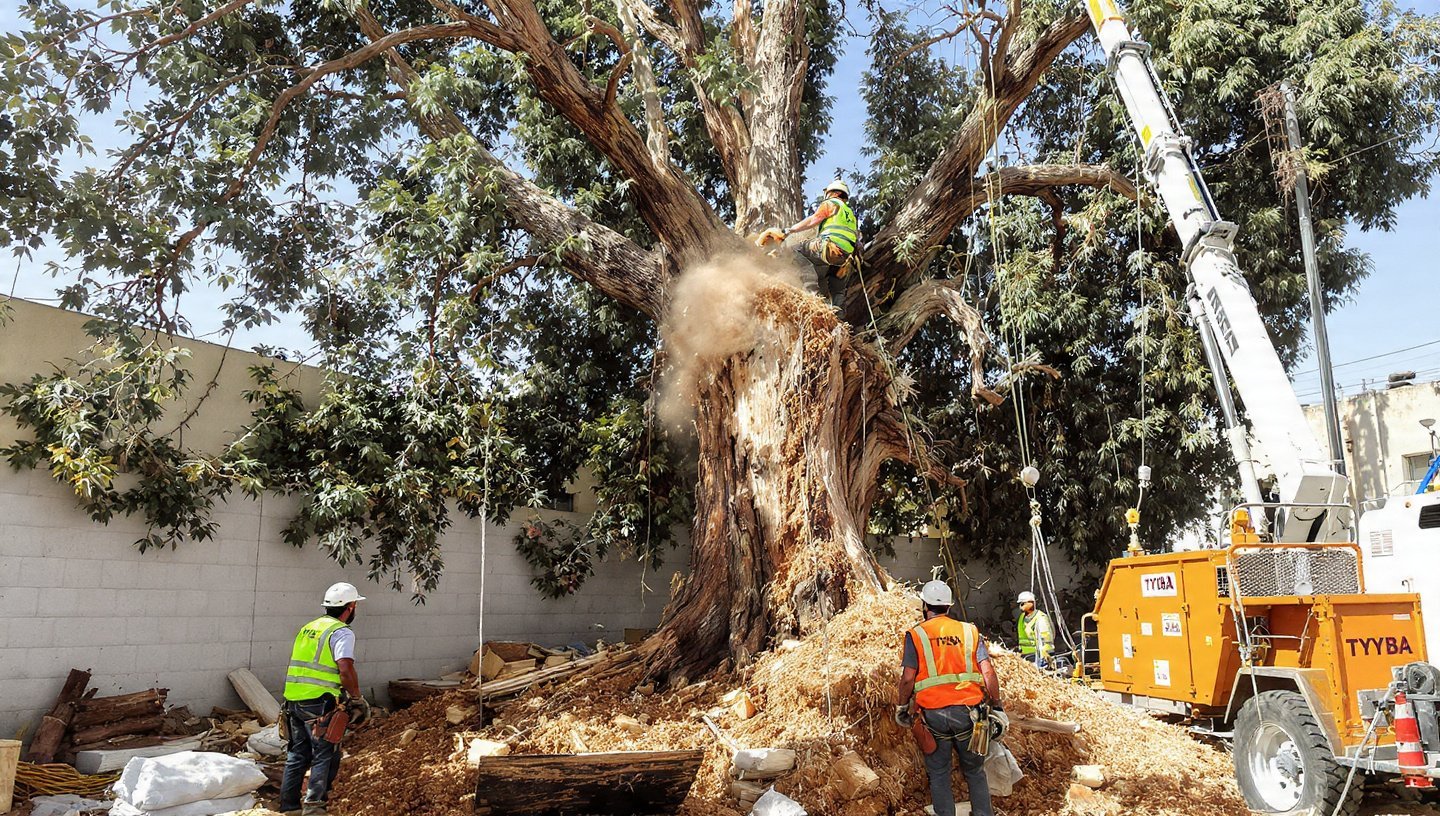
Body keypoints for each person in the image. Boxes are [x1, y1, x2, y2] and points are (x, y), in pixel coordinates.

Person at [895, 580, 1006, 816]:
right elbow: (988, 673)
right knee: (975, 772)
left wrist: (902, 707)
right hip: (973, 714)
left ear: (925, 606)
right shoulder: (970, 631)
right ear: (948, 605)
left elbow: (907, 678)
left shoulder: (917, 634)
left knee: (939, 772)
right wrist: (997, 705)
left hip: (933, 715)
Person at [279, 582, 371, 816]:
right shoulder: (341, 632)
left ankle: (289, 807)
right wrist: (357, 697)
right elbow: (345, 668)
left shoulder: (309, 628)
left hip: (293, 700)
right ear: (350, 607)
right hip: (319, 702)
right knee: (325, 753)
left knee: (297, 754)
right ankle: (314, 807)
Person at [770, 179, 860, 309]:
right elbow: (856, 239)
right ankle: (837, 314)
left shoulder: (831, 203)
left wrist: (789, 231)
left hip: (829, 247)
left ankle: (812, 294)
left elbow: (814, 219)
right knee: (837, 289)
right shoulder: (850, 214)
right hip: (845, 257)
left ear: (834, 193)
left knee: (795, 250)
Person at [1016, 590, 1054, 669]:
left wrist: (1045, 656)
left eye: (1022, 604)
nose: (1020, 606)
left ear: (1031, 603)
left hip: (1037, 656)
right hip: (1025, 655)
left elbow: (1046, 639)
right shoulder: (1022, 617)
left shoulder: (1040, 618)